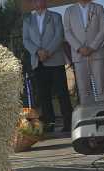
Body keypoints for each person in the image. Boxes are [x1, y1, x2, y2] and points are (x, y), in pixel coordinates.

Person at [23, 0, 73, 132]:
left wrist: (48, 51)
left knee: (62, 92)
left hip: (55, 59)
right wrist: (37, 52)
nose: (36, 2)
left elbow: (59, 36)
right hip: (38, 62)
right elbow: (26, 40)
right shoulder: (28, 20)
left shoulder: (55, 16)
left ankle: (68, 122)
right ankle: (49, 124)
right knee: (43, 94)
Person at [64, 0, 104, 105]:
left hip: (97, 53)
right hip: (79, 55)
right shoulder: (69, 10)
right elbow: (67, 31)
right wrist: (79, 48)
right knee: (83, 90)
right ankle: (88, 118)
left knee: (100, 87)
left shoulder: (98, 8)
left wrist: (92, 47)